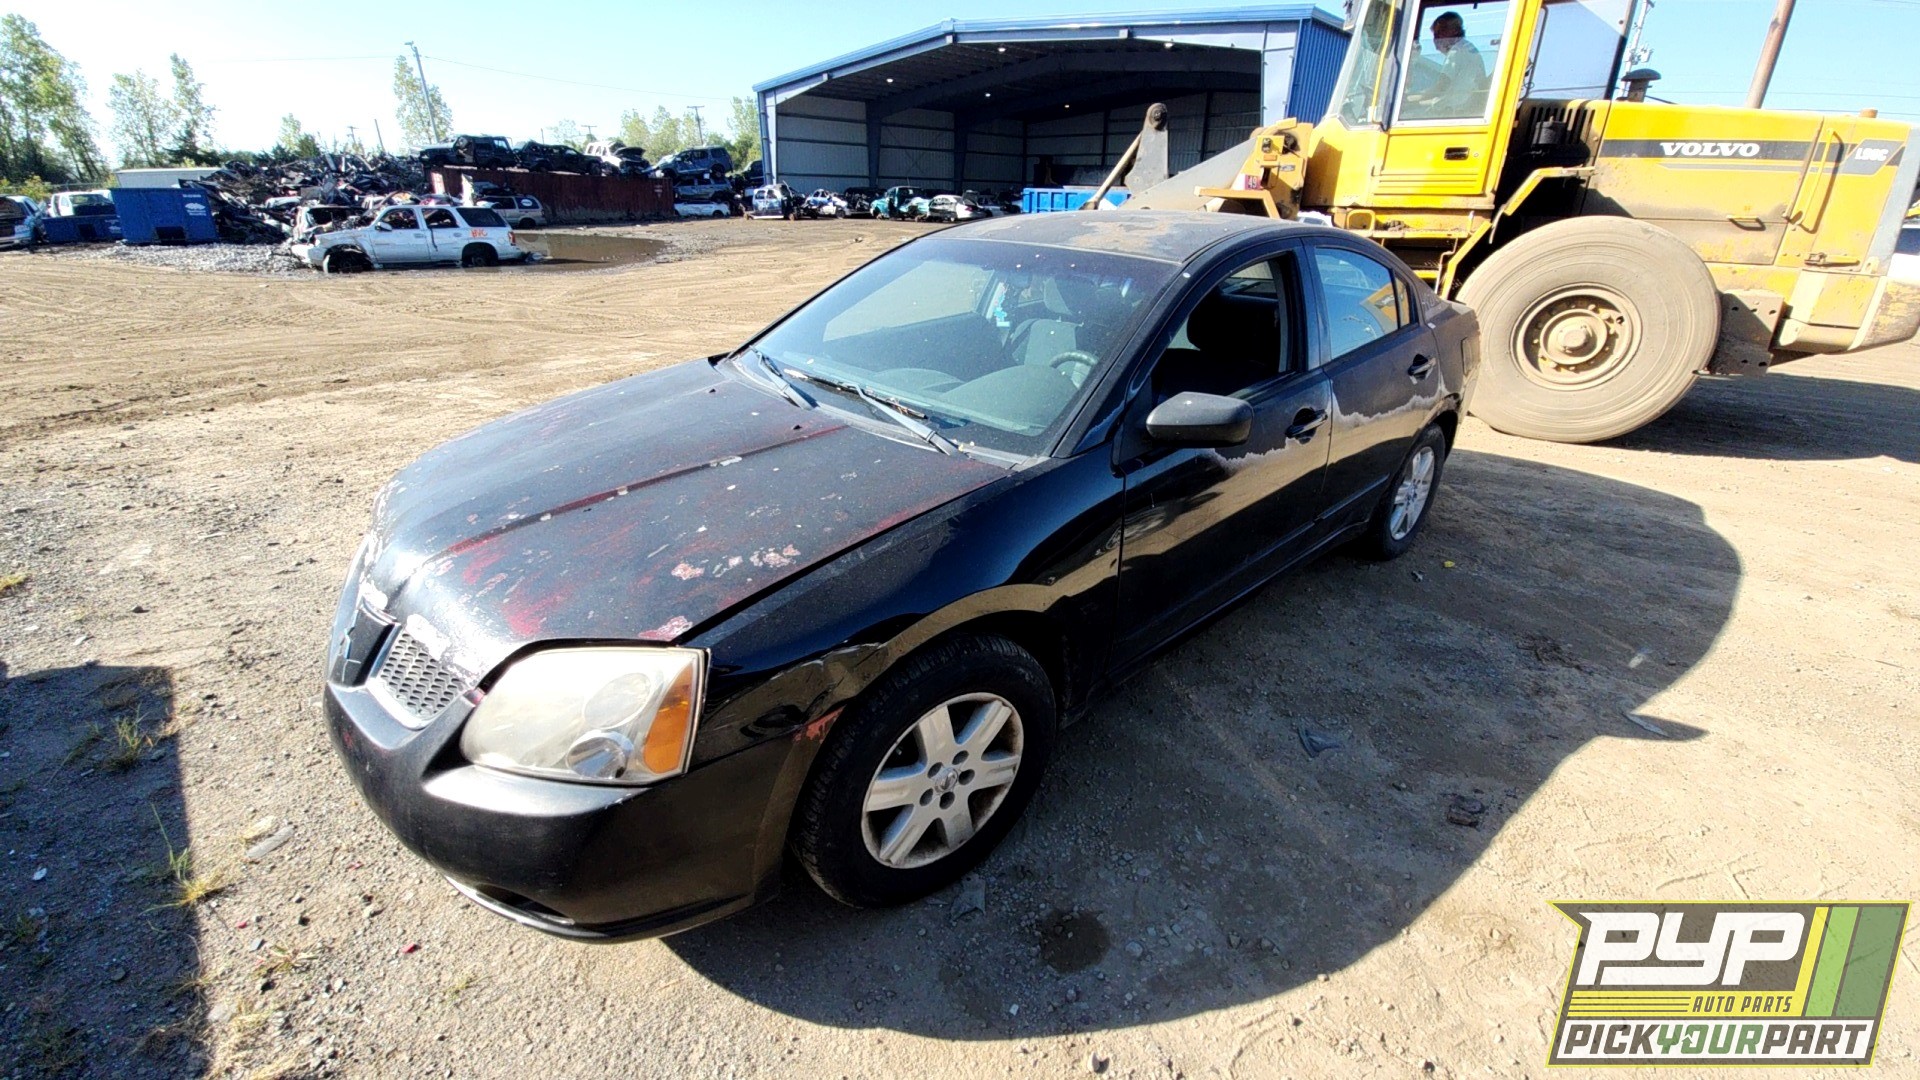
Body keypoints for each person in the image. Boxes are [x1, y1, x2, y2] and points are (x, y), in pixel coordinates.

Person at [1425, 10, 1491, 118]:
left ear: (1454, 31)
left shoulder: (1456, 52)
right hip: (1468, 106)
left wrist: (1416, 97)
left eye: (1439, 33)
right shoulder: (1469, 48)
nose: (1436, 40)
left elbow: (1441, 86)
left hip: (1455, 111)